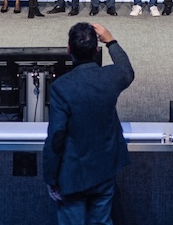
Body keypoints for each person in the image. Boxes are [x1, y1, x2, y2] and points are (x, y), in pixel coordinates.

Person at [43, 23, 134, 224]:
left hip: (72, 175)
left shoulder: (61, 88)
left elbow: (56, 137)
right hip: (105, 169)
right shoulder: (111, 77)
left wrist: (51, 177)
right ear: (96, 50)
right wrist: (111, 41)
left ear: (69, 49)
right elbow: (127, 69)